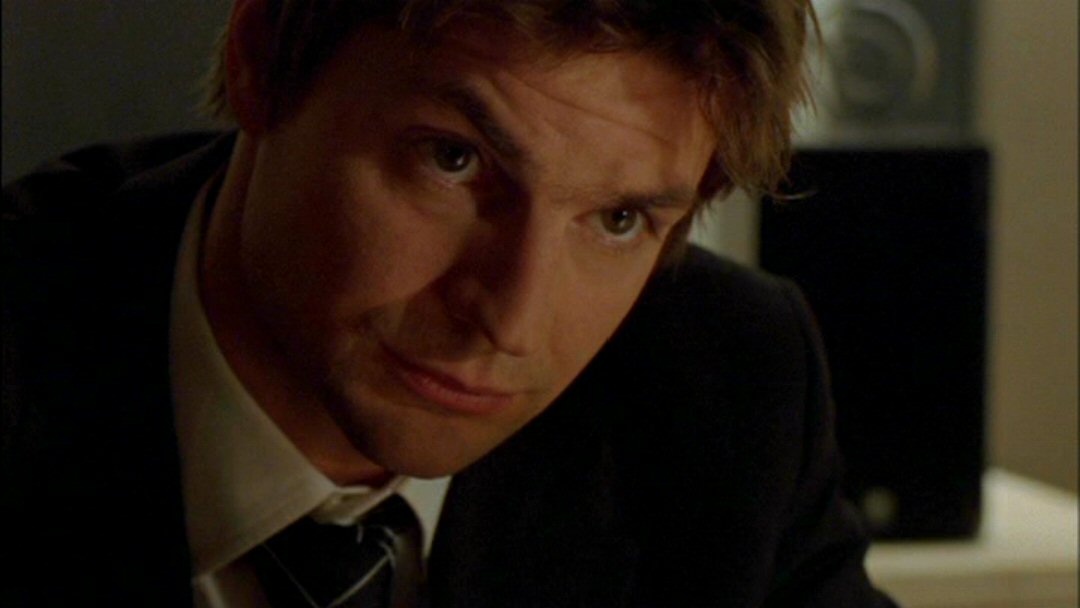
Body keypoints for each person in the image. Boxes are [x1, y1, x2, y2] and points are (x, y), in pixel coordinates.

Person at [2, 0, 896, 606]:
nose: (510, 319)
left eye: (619, 219)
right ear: (262, 59)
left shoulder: (728, 390)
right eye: (453, 160)